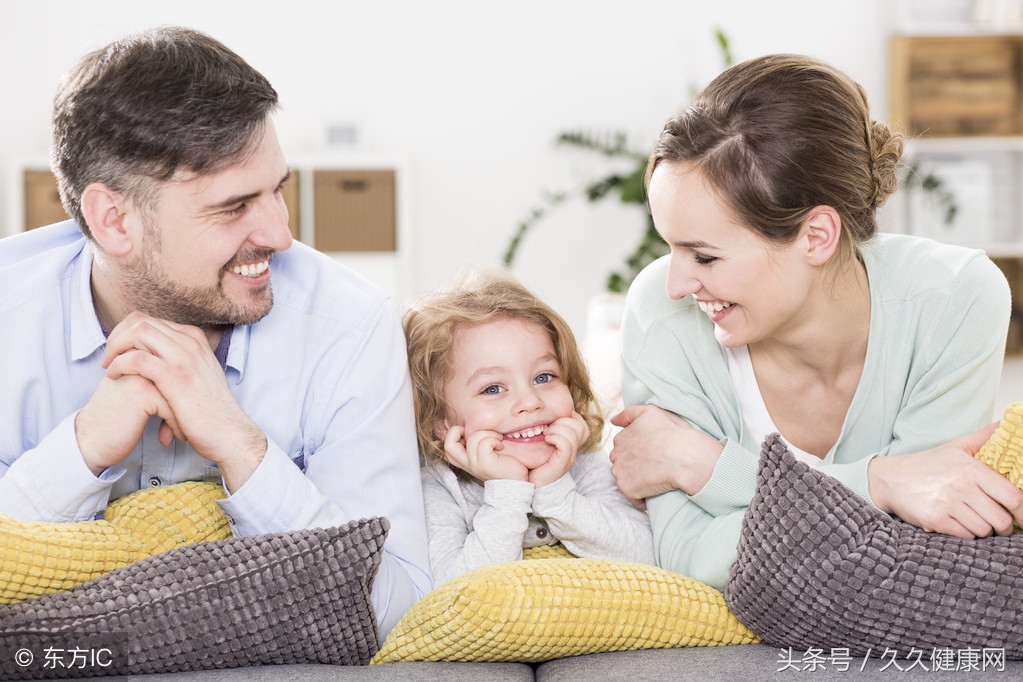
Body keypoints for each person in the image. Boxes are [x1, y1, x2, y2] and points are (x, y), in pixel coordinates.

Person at [0, 27, 431, 640]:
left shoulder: (349, 327)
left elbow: (400, 609)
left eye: (276, 191)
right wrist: (82, 449)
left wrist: (242, 448)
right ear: (114, 220)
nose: (280, 235)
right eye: (234, 207)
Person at [608, 53, 1023, 592]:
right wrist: (882, 484)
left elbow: (918, 549)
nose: (676, 284)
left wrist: (706, 465)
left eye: (705, 257)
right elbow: (690, 560)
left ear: (816, 236)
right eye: (671, 250)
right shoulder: (660, 312)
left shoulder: (955, 298)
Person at [403, 269, 654, 584]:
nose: (530, 401)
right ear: (441, 422)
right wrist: (507, 491)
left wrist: (555, 492)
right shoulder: (441, 489)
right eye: (492, 388)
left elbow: (648, 556)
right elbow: (454, 593)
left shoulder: (586, 466)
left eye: (544, 377)